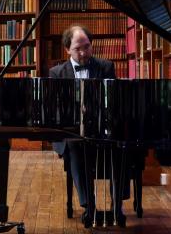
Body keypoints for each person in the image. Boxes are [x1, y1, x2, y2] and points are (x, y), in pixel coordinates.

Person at [49, 25, 126, 227]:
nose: (83, 53)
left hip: (102, 130)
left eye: (87, 47)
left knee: (124, 146)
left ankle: (117, 206)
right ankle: (88, 206)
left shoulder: (106, 66)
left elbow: (114, 100)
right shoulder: (56, 73)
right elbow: (54, 109)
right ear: (67, 49)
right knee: (75, 145)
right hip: (72, 131)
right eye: (78, 48)